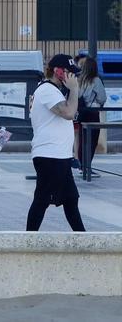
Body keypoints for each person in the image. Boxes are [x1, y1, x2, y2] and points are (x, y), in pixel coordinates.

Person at [26, 54, 86, 232]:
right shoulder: (47, 90)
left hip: (58, 155)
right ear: (58, 71)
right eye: (69, 73)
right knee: (42, 199)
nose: (73, 77)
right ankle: (28, 239)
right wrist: (74, 90)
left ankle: (83, 238)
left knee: (70, 199)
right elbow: (68, 113)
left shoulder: (53, 91)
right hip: (50, 155)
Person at [76, 54, 107, 173]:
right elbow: (102, 98)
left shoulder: (80, 79)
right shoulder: (96, 80)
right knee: (92, 140)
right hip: (93, 113)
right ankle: (87, 167)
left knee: (82, 140)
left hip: (82, 112)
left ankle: (81, 165)